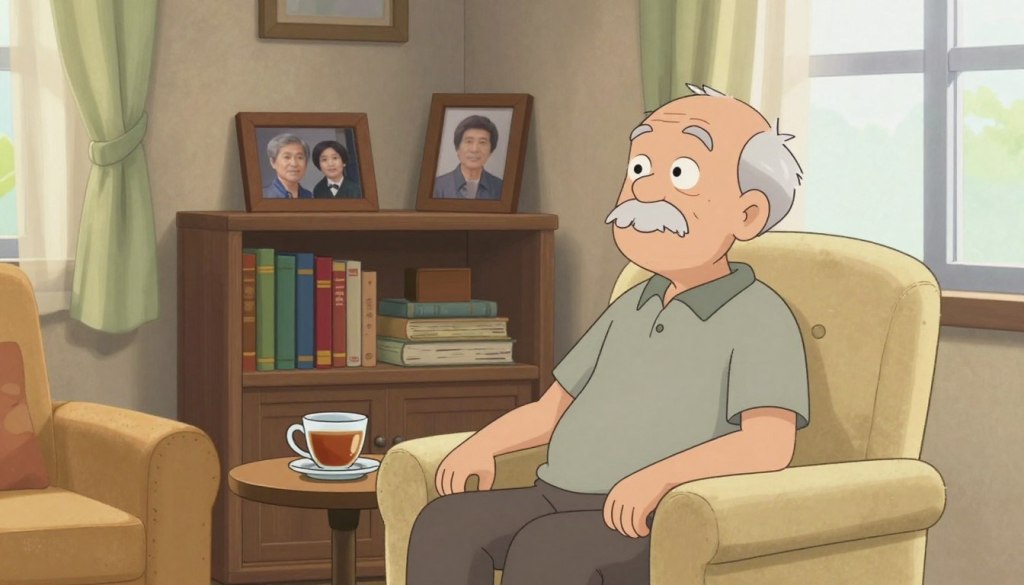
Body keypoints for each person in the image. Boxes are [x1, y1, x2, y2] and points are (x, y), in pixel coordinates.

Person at [406, 84, 811, 585]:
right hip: (556, 494)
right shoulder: (631, 304)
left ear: (748, 214)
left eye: (681, 174)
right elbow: (551, 410)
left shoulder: (759, 315)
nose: (646, 190)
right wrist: (481, 444)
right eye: (640, 168)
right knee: (446, 524)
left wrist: (659, 479)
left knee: (548, 550)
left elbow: (768, 445)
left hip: (654, 515)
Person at [433, 115, 504, 200]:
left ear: (491, 151)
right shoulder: (436, 186)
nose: (474, 149)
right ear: (457, 148)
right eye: (469, 141)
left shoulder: (501, 188)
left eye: (482, 142)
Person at [262, 133, 313, 199]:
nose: (294, 164)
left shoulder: (311, 196)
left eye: (299, 157)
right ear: (273, 162)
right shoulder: (262, 196)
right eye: (287, 157)